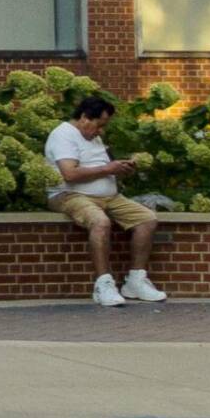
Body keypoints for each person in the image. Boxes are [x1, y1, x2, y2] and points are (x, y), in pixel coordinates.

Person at [46, 91, 166, 305]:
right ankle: (103, 284)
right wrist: (108, 168)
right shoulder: (63, 135)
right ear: (84, 118)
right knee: (100, 222)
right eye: (99, 125)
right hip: (71, 195)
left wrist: (119, 168)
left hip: (110, 197)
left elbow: (100, 167)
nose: (101, 131)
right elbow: (70, 174)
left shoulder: (93, 136)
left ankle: (135, 281)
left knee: (147, 219)